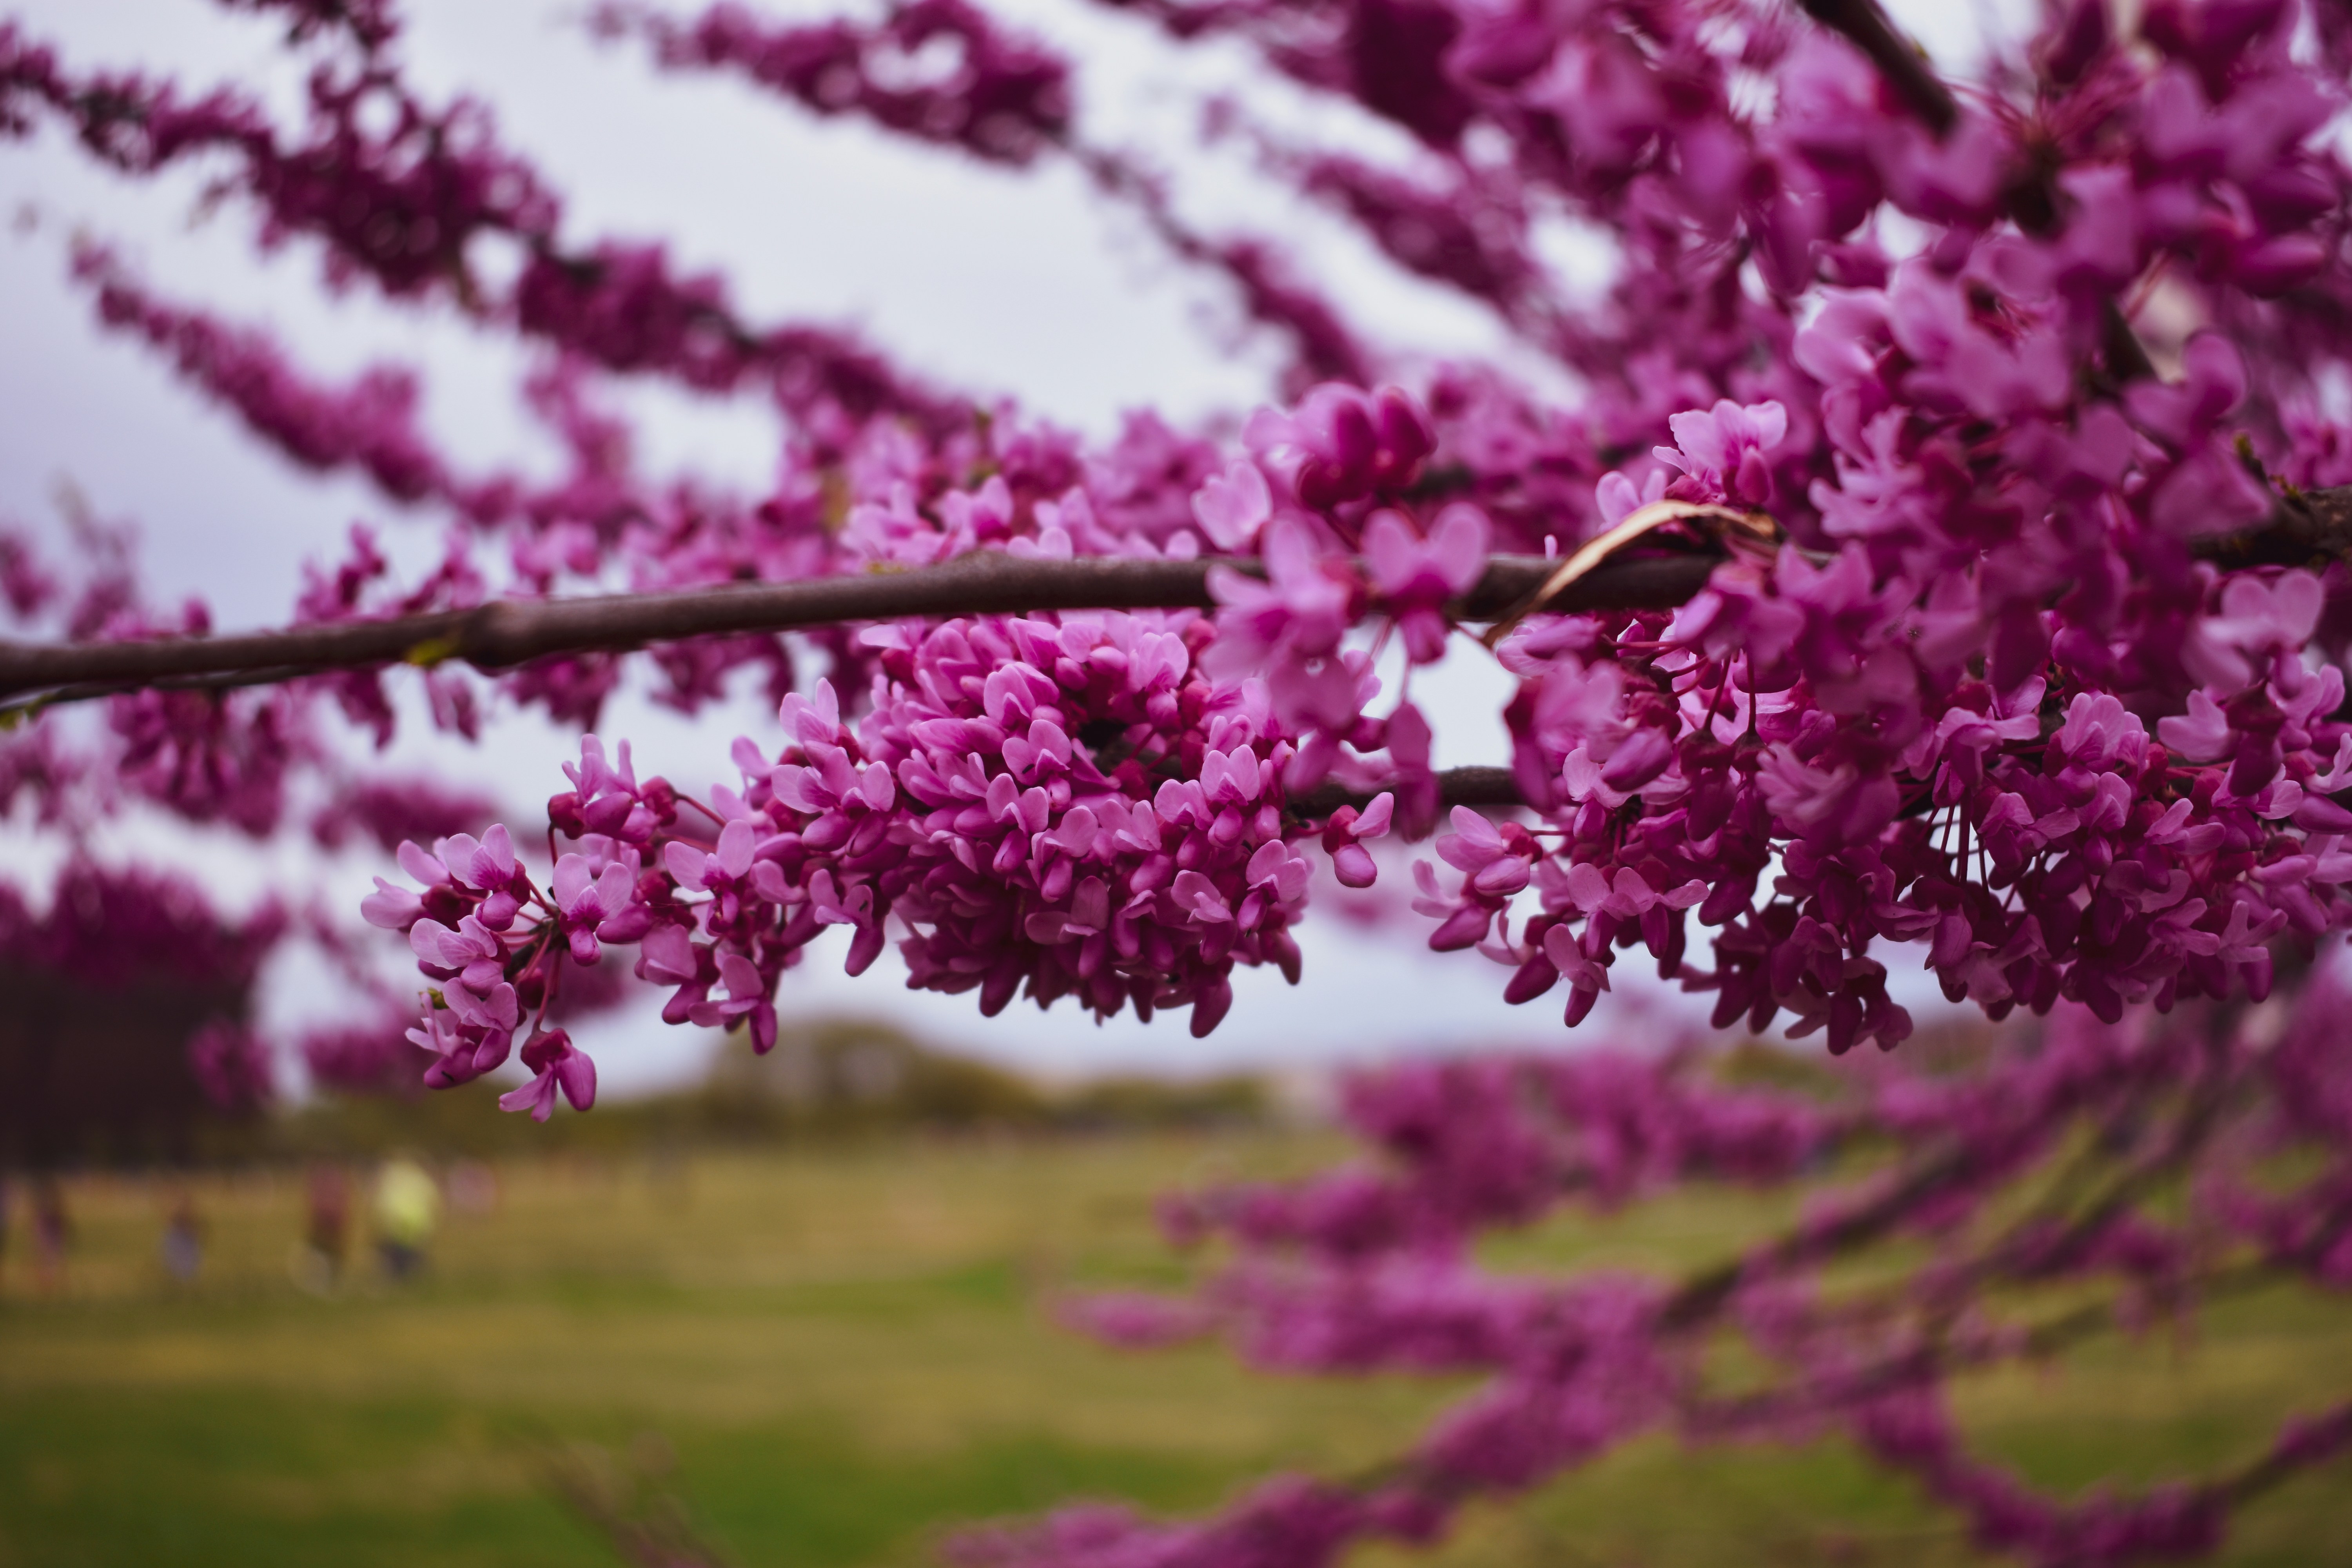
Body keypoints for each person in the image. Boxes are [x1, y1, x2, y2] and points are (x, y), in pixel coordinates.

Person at [372, 1156, 439, 1281]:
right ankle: (412, 1275)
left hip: (397, 1219)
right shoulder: (420, 1177)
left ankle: (402, 1275)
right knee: (411, 1247)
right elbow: (433, 1197)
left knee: (398, 1247)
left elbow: (384, 1200)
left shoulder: (392, 1178)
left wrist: (382, 1219)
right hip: (418, 1219)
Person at [30, 1177, 69, 1295]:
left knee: (50, 1257)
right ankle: (47, 1283)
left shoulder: (48, 1203)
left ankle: (49, 1283)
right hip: (48, 1229)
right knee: (49, 1257)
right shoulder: (52, 1203)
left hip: (50, 1228)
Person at [160, 1190, 204, 1286]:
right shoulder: (178, 1214)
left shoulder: (189, 1214)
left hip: (186, 1243)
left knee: (185, 1267)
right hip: (179, 1241)